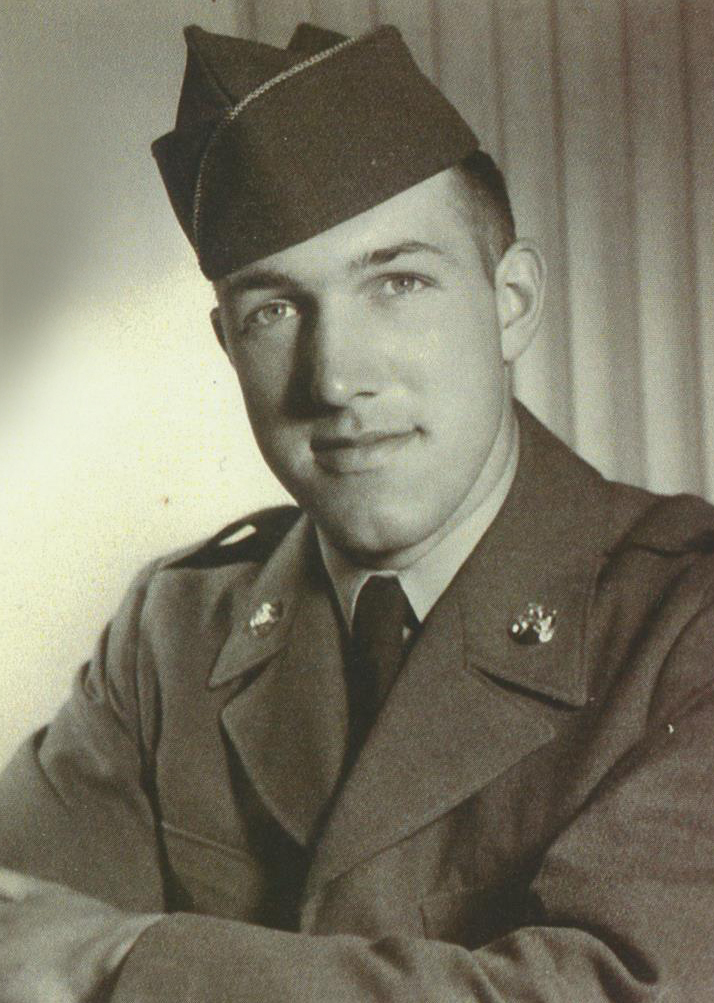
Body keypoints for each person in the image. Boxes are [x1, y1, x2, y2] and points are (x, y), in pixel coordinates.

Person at [0, 21, 712, 1003]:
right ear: (227, 345)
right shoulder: (172, 636)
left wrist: (122, 958)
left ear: (511, 301)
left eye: (398, 282)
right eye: (274, 310)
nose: (336, 377)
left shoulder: (684, 624)